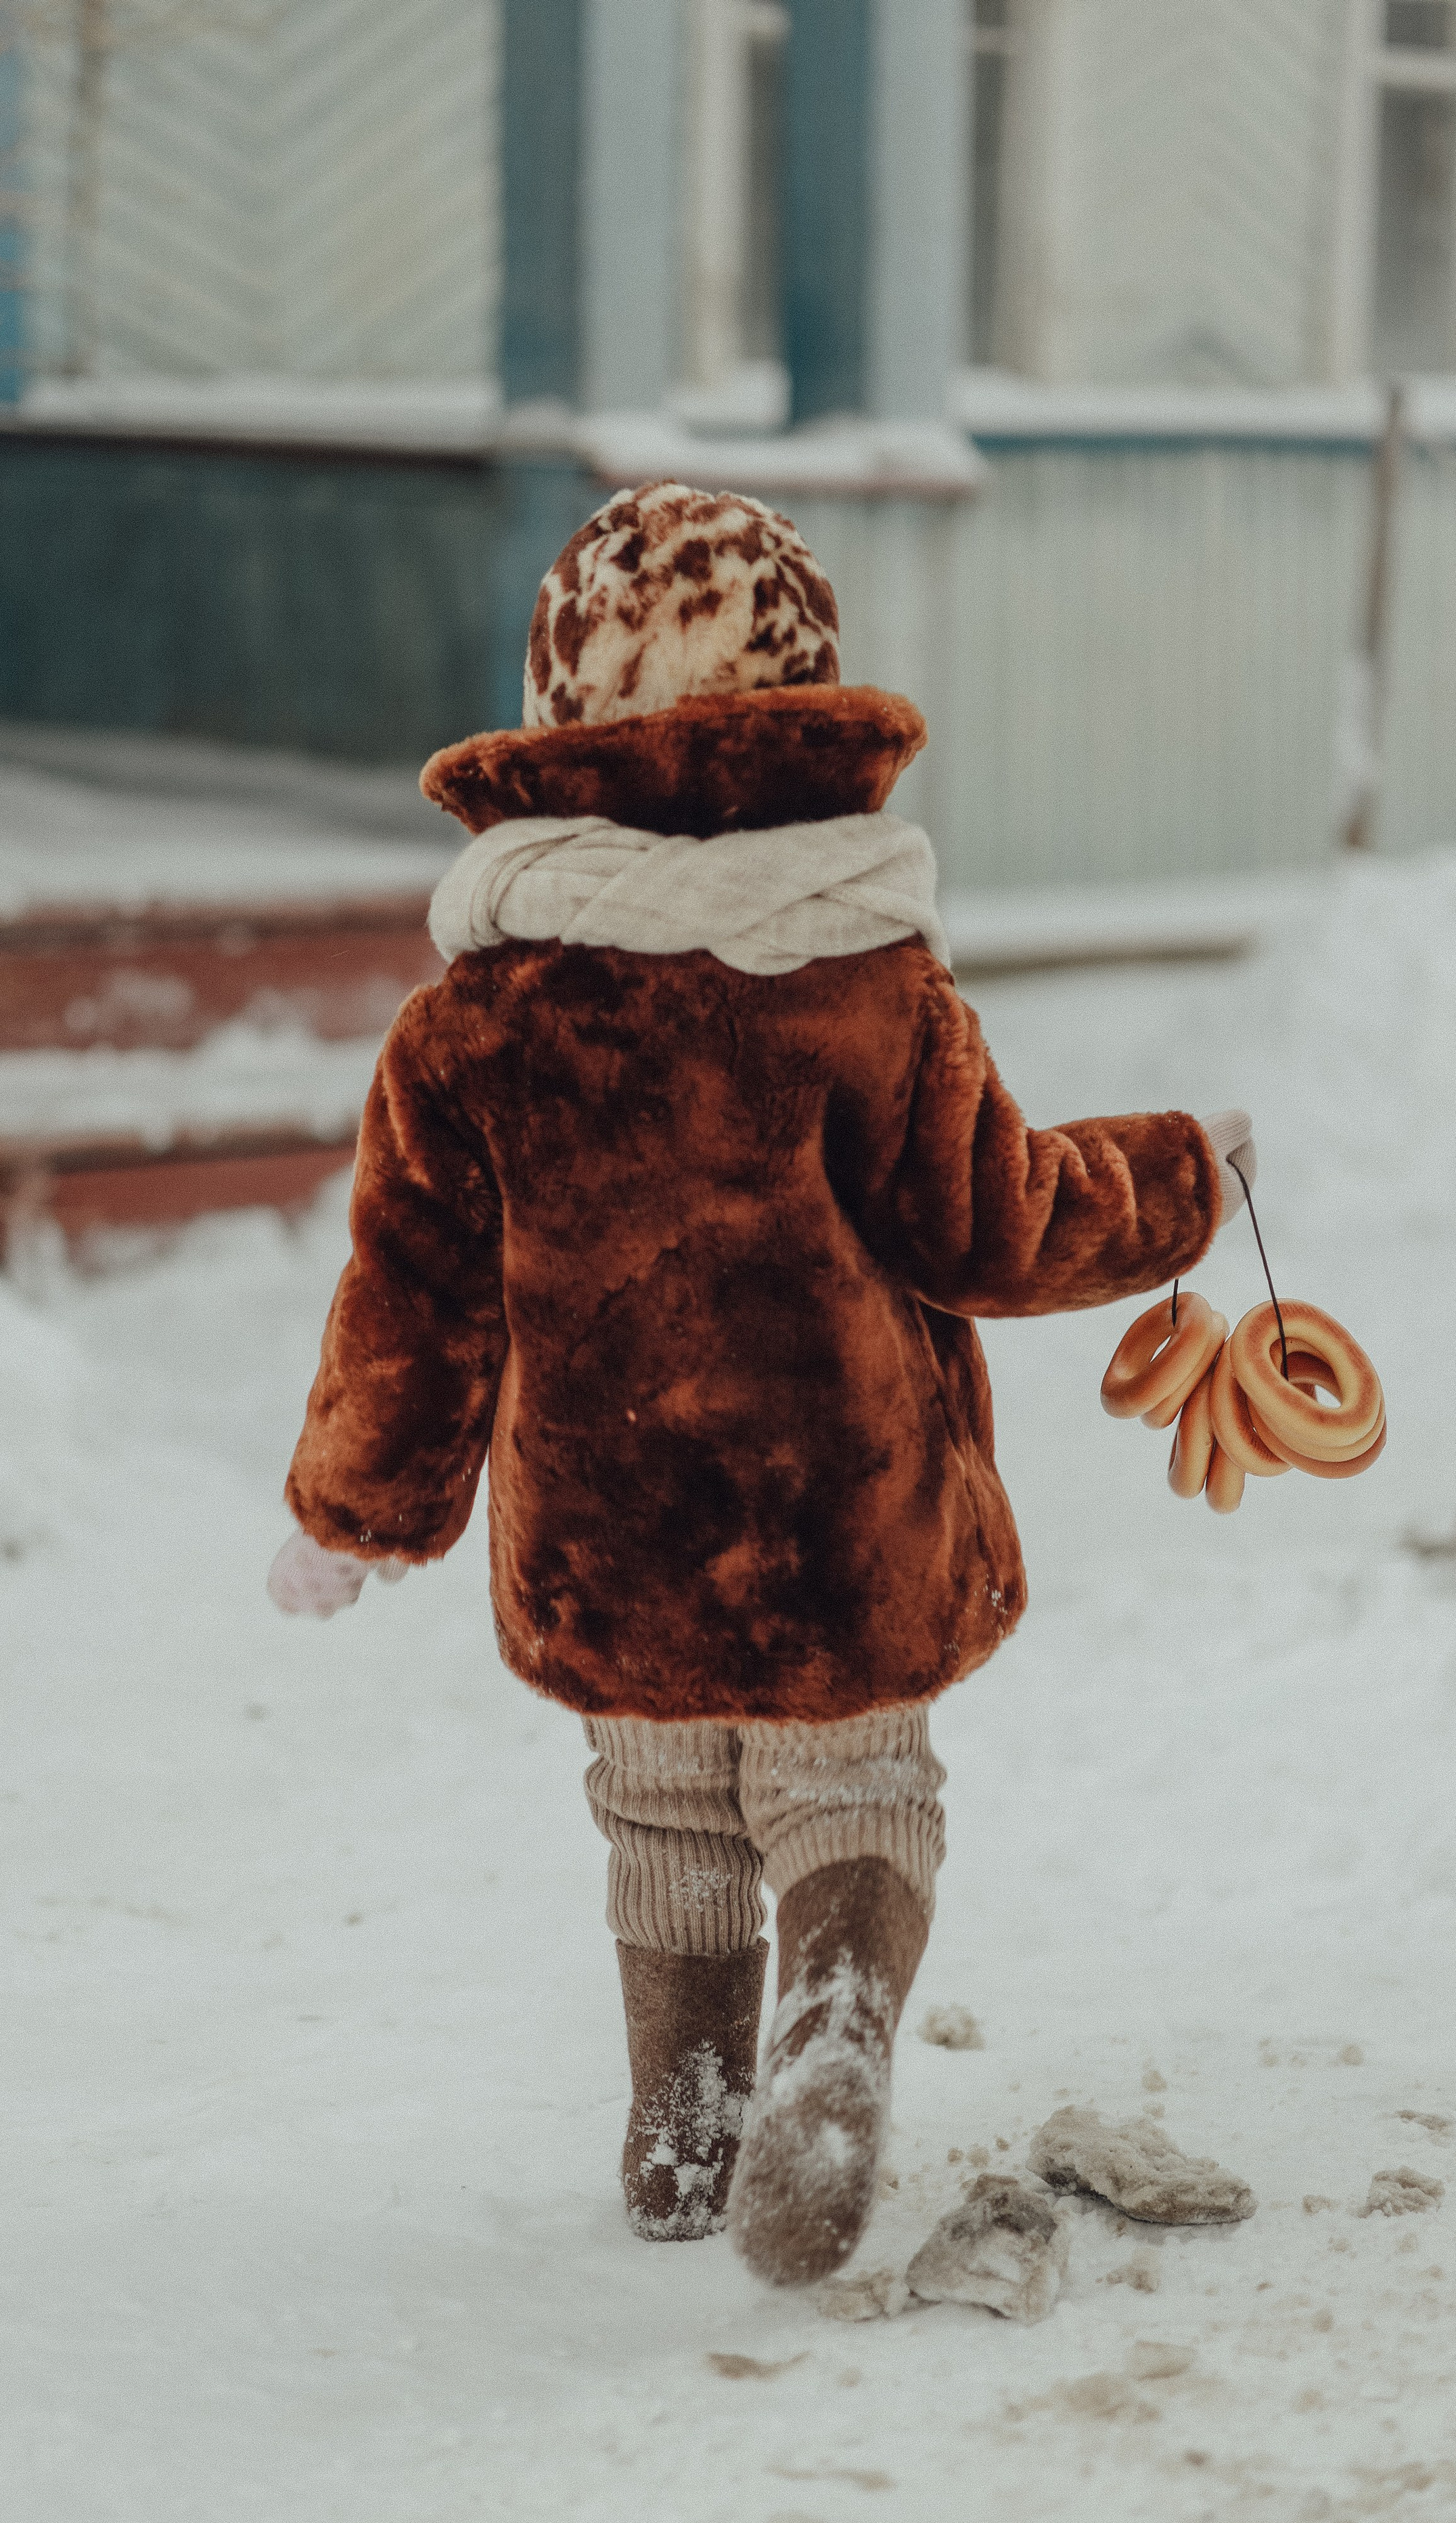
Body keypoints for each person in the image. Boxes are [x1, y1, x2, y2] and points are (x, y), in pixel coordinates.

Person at [268, 483, 1256, 2287]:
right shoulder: (862, 978)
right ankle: (837, 2018)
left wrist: (360, 1509)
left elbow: (417, 1304)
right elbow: (995, 1222)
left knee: (660, 1809)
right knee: (852, 1788)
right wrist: (1186, 1174)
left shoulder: (473, 1023)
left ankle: (684, 2124)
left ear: (549, 730)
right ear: (801, 712)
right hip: (844, 1518)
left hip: (607, 1525)